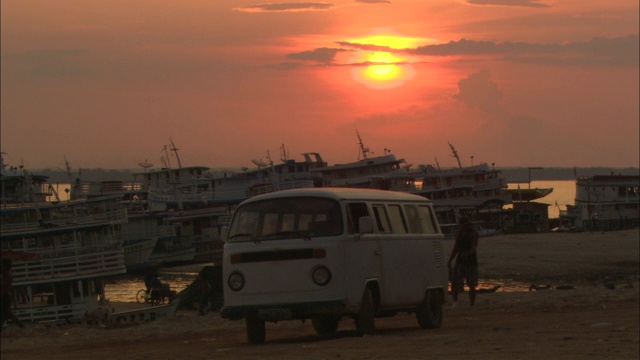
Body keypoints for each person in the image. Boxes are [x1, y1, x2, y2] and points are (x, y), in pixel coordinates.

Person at [447, 217, 479, 307]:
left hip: (471, 262)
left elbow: (474, 246)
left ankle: (472, 304)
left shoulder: (473, 234)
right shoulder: (459, 233)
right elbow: (455, 248)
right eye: (462, 225)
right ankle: (455, 302)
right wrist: (450, 260)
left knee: (471, 284)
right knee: (454, 282)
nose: (464, 227)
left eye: (465, 224)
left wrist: (467, 254)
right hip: (460, 261)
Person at [1, 259, 25, 330]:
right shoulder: (6, 274)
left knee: (7, 314)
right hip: (5, 296)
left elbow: (4, 286)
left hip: (5, 296)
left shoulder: (7, 275)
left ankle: (22, 326)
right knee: (5, 314)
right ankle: (22, 326)